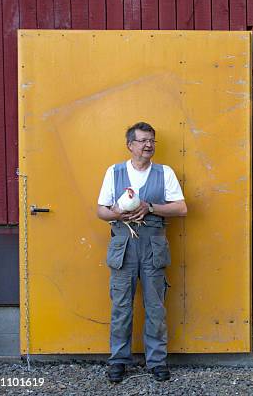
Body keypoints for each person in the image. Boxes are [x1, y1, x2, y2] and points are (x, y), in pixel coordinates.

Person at [97, 122, 187, 383]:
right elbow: (100, 211)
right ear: (130, 145)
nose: (149, 145)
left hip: (153, 246)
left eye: (152, 141)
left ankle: (157, 361)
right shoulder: (114, 172)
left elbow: (181, 208)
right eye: (143, 140)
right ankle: (118, 361)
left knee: (155, 307)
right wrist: (117, 213)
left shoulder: (164, 172)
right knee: (121, 306)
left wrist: (150, 207)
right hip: (123, 246)